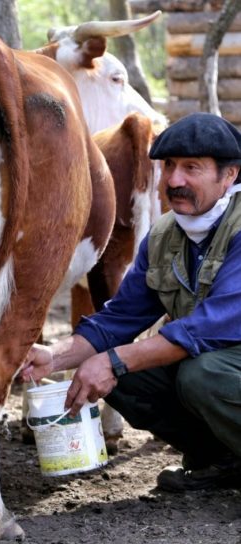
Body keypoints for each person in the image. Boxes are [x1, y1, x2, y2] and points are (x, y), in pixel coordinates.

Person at [22, 112, 241, 492]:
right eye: (169, 166)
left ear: (229, 176)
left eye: (192, 168)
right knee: (125, 376)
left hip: (219, 362)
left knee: (199, 374)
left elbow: (206, 327)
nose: (175, 180)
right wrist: (53, 357)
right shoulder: (165, 236)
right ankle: (222, 462)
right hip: (217, 360)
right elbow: (119, 318)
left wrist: (112, 360)